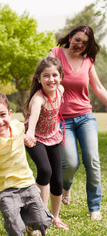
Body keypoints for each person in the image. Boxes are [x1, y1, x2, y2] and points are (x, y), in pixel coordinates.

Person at [48, 25, 107, 220]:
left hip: (85, 117)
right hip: (62, 118)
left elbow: (98, 87)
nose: (79, 44)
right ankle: (66, 186)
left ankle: (94, 207)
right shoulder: (56, 53)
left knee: (92, 161)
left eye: (85, 43)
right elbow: (42, 77)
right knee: (70, 163)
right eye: (77, 39)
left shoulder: (87, 61)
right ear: (70, 36)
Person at [0, 92, 53, 236]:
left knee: (43, 221)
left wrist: (28, 138)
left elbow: (30, 129)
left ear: (10, 113)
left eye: (3, 114)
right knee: (16, 229)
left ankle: (30, 225)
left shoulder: (18, 127)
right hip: (6, 191)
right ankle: (20, 226)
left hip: (27, 184)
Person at [24, 57, 69, 230]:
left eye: (54, 75)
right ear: (39, 78)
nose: (51, 79)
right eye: (46, 76)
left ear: (61, 76)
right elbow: (33, 118)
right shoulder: (38, 98)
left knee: (57, 179)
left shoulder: (61, 90)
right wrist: (29, 134)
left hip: (53, 136)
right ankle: (40, 216)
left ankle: (55, 217)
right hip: (35, 138)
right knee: (45, 170)